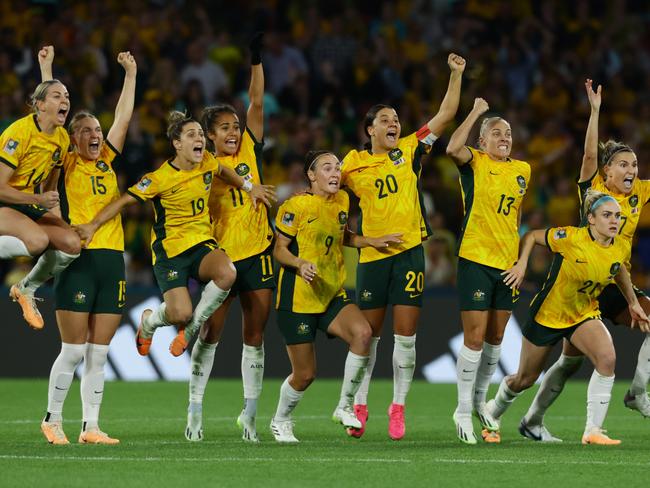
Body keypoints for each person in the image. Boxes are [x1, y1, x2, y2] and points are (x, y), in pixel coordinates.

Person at [75, 112, 272, 394]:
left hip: (202, 243)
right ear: (177, 144)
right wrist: (93, 225)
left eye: (201, 135)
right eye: (192, 135)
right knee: (180, 313)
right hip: (170, 253)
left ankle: (191, 331)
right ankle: (150, 322)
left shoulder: (206, 161)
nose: (200, 140)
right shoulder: (159, 178)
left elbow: (222, 170)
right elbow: (123, 202)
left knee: (227, 272)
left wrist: (249, 187)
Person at [342, 53, 466, 440]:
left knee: (406, 338)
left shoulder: (411, 149)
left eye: (396, 119)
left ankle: (398, 408)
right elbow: (329, 201)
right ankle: (359, 405)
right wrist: (361, 239)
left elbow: (445, 115)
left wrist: (456, 75)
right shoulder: (351, 165)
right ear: (370, 130)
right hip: (373, 258)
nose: (394, 123)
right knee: (368, 337)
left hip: (411, 252)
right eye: (385, 120)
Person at [518, 80, 650, 441]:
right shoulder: (595, 191)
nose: (631, 170)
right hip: (579, 282)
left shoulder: (640, 190)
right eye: (623, 164)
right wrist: (594, 112)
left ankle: (637, 393)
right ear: (607, 170)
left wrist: (634, 300)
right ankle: (529, 419)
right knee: (566, 364)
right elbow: (589, 156)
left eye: (635, 164)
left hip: (614, 278)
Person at [485, 189, 650, 445]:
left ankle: (593, 431)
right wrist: (521, 264)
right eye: (607, 215)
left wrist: (632, 303)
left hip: (583, 314)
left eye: (617, 215)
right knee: (524, 379)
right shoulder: (570, 237)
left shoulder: (620, 245)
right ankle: (491, 413)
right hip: (548, 314)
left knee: (607, 358)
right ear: (591, 219)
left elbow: (619, 272)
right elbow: (530, 236)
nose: (614, 220)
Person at [38, 47, 136, 445]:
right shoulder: (66, 161)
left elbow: (124, 116)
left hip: (113, 261)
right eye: (86, 131)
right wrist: (46, 69)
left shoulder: (106, 161)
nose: (95, 135)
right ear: (72, 139)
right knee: (73, 351)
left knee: (99, 353)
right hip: (79, 258)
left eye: (97, 129)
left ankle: (91, 427)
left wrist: (130, 75)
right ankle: (51, 419)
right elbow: (47, 114)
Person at [270, 150, 402, 443]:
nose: (335, 173)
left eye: (337, 168)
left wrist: (369, 241)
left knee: (363, 333)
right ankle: (280, 420)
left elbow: (342, 234)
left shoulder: (342, 200)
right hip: (298, 299)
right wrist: (300, 263)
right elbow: (279, 249)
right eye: (327, 168)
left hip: (330, 292)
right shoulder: (295, 206)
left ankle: (344, 405)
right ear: (311, 175)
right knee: (304, 375)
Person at [185, 33, 276, 443]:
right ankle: (195, 411)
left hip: (257, 253)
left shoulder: (250, 151)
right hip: (220, 257)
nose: (234, 133)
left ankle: (250, 417)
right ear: (207, 134)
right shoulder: (200, 163)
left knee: (254, 336)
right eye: (224, 128)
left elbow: (256, 102)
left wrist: (255, 59)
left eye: (236, 127)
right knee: (210, 334)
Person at [446, 97, 531, 444]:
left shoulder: (523, 170)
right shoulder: (475, 162)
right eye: (496, 133)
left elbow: (517, 216)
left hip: (506, 265)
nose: (504, 137)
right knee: (476, 338)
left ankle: (481, 401)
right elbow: (452, 147)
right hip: (476, 258)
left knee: (496, 339)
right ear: (482, 141)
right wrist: (477, 112)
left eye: (507, 133)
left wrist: (518, 259)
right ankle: (463, 409)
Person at [0, 46, 81, 330]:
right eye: (58, 96)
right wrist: (36, 198)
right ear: (39, 104)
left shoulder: (60, 138)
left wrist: (58, 220)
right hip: (5, 202)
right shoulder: (17, 133)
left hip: (26, 203)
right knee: (37, 242)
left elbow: (50, 190)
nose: (65, 101)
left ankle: (25, 288)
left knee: (72, 245)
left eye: (68, 97)